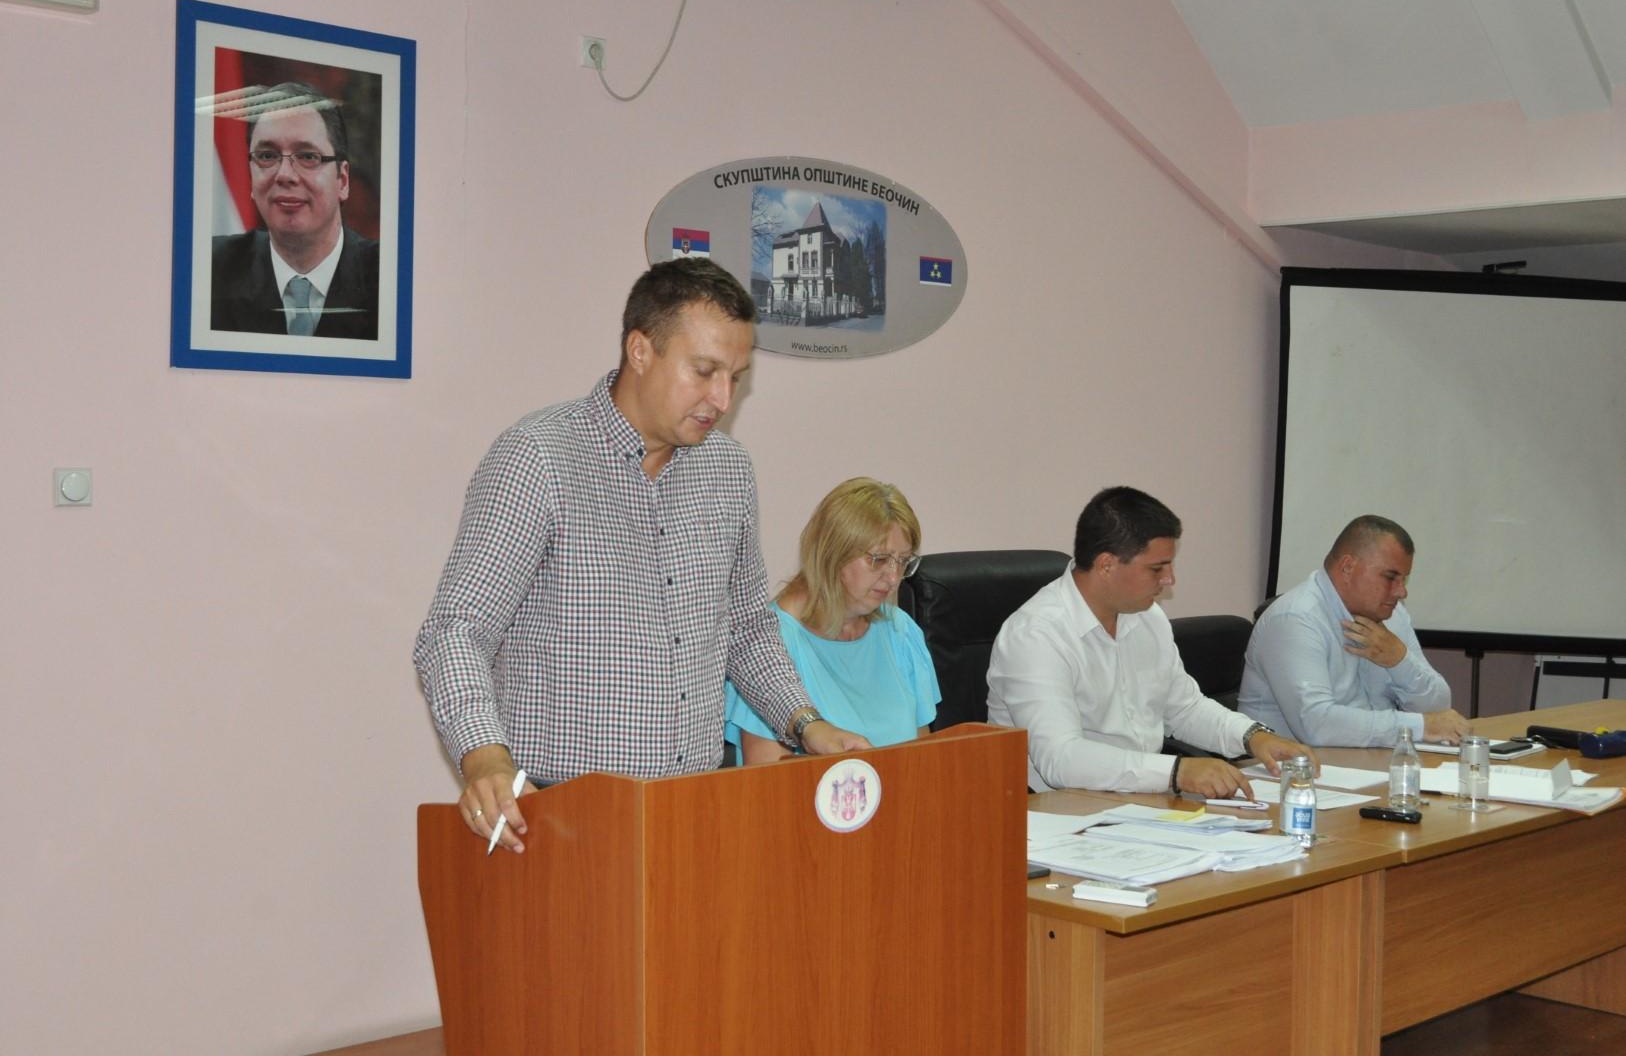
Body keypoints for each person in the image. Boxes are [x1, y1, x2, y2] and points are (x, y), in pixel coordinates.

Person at [414, 258, 869, 851]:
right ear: (640, 350)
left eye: (735, 377)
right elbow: (455, 630)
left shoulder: (729, 471)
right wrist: (484, 756)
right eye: (704, 371)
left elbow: (747, 629)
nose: (722, 398)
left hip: (694, 811)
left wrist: (807, 724)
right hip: (559, 818)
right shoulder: (540, 458)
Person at [986, 486, 1314, 796]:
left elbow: (1183, 708)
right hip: (1057, 813)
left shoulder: (1147, 617)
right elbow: (1060, 759)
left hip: (1138, 803)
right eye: (1157, 569)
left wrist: (1253, 737)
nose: (1170, 579)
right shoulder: (1036, 635)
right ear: (1106, 565)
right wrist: (1175, 772)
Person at [726, 478, 941, 763]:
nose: (893, 578)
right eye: (878, 559)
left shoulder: (900, 630)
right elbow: (770, 783)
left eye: (903, 561)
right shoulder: (763, 646)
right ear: (833, 553)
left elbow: (923, 762)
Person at [1238, 515, 1465, 747]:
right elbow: (1317, 725)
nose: (1401, 592)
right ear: (1348, 567)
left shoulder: (1393, 614)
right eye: (1390, 577)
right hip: (1292, 766)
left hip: (1364, 759)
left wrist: (1400, 661)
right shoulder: (1295, 619)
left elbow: (1439, 708)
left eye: (1403, 580)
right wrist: (1418, 727)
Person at [211, 81, 380, 339]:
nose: (285, 175)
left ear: (343, 181)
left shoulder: (389, 277)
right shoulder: (209, 269)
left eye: (308, 157)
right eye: (267, 156)